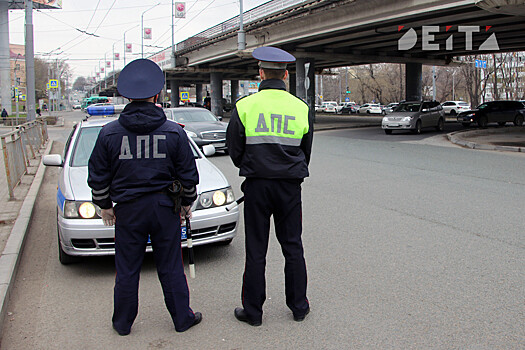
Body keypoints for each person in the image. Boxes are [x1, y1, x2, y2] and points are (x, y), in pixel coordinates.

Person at [88, 59, 202, 336]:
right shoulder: (174, 132)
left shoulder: (109, 132)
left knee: (127, 268)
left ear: (127, 96)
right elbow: (188, 174)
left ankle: (123, 323)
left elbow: (98, 175)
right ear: (157, 95)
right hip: (165, 209)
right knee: (171, 266)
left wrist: (105, 206)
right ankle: (181, 319)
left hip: (128, 211)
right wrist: (186, 202)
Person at [226, 46, 313, 326]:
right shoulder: (301, 108)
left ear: (260, 73)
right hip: (289, 187)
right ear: (285, 74)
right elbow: (305, 150)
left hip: (257, 186)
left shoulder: (245, 106)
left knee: (256, 250)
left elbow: (234, 148)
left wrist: (253, 166)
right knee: (292, 247)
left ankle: (253, 312)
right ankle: (299, 306)